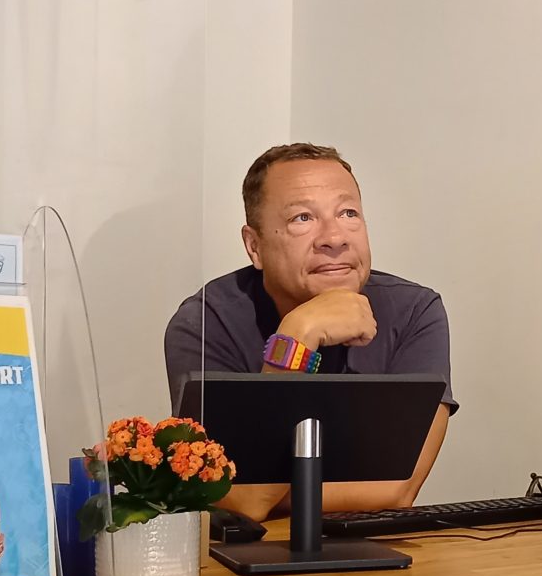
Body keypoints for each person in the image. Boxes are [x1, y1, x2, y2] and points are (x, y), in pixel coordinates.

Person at [165, 143, 455, 522]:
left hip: (373, 551)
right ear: (255, 246)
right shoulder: (204, 324)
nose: (335, 238)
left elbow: (398, 488)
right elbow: (240, 500)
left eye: (348, 213)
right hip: (239, 567)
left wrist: (263, 496)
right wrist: (298, 338)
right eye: (303, 218)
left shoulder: (414, 312)